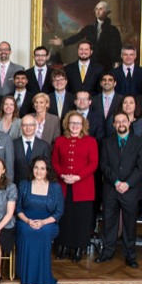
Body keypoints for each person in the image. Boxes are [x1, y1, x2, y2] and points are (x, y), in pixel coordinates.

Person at [95, 113, 142, 268]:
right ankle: (107, 253)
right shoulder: (106, 142)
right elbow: (104, 165)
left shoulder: (139, 142)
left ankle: (130, 256)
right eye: (117, 122)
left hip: (130, 190)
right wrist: (117, 182)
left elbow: (141, 167)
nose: (120, 124)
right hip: (111, 188)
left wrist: (128, 184)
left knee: (129, 225)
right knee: (109, 222)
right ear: (113, 125)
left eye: (123, 121)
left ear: (129, 122)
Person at [51, 111, 99, 263]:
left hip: (83, 186)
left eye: (78, 123)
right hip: (63, 186)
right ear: (67, 124)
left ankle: (79, 248)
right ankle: (63, 246)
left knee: (81, 219)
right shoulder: (59, 141)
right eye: (72, 123)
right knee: (64, 217)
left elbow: (93, 164)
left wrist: (78, 177)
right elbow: (54, 162)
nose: (74, 126)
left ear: (83, 125)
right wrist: (62, 175)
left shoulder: (90, 141)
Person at [15, 157, 64, 284]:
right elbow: (18, 208)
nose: (39, 171)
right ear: (32, 169)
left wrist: (43, 222)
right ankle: (27, 276)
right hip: (26, 220)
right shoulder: (24, 184)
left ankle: (43, 276)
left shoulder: (55, 187)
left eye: (42, 168)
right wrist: (28, 220)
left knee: (43, 232)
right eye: (36, 167)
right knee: (27, 231)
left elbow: (58, 212)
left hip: (48, 223)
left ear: (47, 170)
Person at [49, 0, 122, 70]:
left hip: (107, 64)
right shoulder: (89, 28)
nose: (98, 11)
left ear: (107, 12)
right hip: (91, 63)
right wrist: (63, 42)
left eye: (101, 9)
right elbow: (77, 37)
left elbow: (117, 47)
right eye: (96, 9)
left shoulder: (113, 30)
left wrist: (117, 62)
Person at [12, 114, 51, 185]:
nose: (28, 128)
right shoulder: (13, 144)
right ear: (21, 127)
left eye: (31, 125)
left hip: (38, 186)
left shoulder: (44, 146)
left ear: (35, 127)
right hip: (17, 185)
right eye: (25, 125)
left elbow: (47, 169)